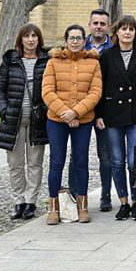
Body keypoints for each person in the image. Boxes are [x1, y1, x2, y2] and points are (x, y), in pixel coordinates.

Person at [96, 15, 136, 221]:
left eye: (131, 29)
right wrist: (98, 114)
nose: (127, 32)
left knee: (134, 161)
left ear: (135, 32)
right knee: (116, 160)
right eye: (123, 28)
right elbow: (100, 86)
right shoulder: (107, 55)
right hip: (113, 114)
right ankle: (123, 202)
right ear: (116, 32)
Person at [42, 24, 103, 224]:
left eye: (79, 38)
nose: (75, 41)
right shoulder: (53, 62)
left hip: (83, 120)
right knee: (56, 162)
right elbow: (48, 92)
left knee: (81, 162)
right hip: (57, 120)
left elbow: (95, 92)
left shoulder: (93, 63)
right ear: (66, 40)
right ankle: (53, 207)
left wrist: (76, 112)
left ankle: (82, 205)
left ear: (84, 40)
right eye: (72, 38)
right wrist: (65, 113)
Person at [0, 23, 50, 220]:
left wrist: (44, 110)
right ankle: (18, 201)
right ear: (21, 39)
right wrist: (4, 111)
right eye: (27, 36)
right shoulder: (11, 61)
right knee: (15, 164)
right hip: (14, 121)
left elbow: (52, 89)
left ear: (39, 39)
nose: (31, 39)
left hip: (37, 121)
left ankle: (30, 202)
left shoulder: (47, 61)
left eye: (34, 36)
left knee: (35, 163)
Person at [79, 9, 114, 212]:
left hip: (106, 110)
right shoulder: (79, 46)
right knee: (78, 154)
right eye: (95, 23)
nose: (99, 26)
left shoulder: (115, 48)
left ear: (108, 27)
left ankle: (106, 195)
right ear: (90, 25)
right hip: (82, 108)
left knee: (106, 155)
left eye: (103, 23)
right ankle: (76, 194)